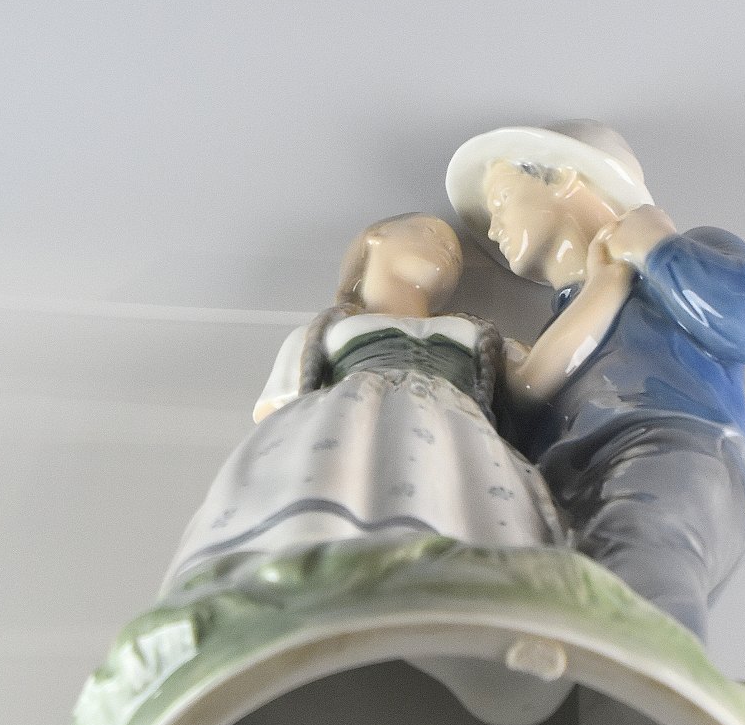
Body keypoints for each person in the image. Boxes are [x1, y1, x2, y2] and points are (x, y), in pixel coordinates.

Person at [446, 120, 745, 643]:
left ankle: (657, 675)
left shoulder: (685, 256)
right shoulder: (558, 328)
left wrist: (659, 249)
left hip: (669, 445)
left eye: (500, 199)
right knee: (568, 601)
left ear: (564, 176)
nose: (494, 227)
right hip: (570, 481)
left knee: (641, 547)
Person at [162, 212, 564, 591]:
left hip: (452, 437)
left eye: (457, 254)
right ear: (377, 237)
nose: (448, 251)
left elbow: (537, 378)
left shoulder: (478, 334)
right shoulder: (324, 331)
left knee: (455, 503)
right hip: (349, 431)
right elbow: (277, 412)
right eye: (429, 234)